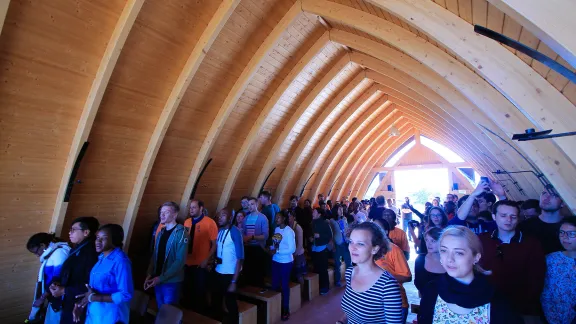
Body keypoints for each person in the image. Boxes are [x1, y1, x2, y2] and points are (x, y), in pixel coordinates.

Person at [418, 226, 521, 324]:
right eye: (444, 251)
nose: (449, 259)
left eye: (459, 253)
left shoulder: (497, 300)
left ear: (476, 257)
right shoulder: (432, 291)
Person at [478, 200, 546, 323]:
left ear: (518, 218)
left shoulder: (531, 243)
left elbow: (537, 277)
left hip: (521, 307)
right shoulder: (482, 240)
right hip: (487, 304)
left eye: (513, 216)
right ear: (494, 216)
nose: (508, 220)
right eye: (503, 216)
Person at [338, 222, 403, 324]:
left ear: (374, 249)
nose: (353, 248)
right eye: (351, 242)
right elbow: (352, 309)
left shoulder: (387, 286)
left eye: (360, 243)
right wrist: (342, 321)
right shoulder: (350, 272)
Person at [74, 224, 134, 324]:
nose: (98, 241)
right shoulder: (101, 258)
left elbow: (125, 294)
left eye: (104, 238)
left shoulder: (121, 261)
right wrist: (82, 304)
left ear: (114, 240)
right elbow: (94, 291)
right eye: (97, 238)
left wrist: (94, 298)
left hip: (111, 317)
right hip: (95, 314)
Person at [48, 217, 100, 324]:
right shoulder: (77, 248)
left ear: (86, 232)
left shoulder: (91, 252)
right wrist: (57, 283)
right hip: (70, 299)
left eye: (73, 230)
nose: (69, 233)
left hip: (79, 303)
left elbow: (91, 283)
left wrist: (64, 290)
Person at [145, 202, 189, 310]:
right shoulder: (161, 232)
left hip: (171, 281)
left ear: (174, 215)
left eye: (166, 212)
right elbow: (155, 255)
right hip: (157, 278)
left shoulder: (181, 233)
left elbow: (179, 261)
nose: (162, 215)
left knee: (169, 313)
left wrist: (161, 278)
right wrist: (149, 273)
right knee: (161, 310)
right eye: (161, 212)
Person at [372, 216, 412, 323]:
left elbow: (407, 277)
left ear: (385, 232)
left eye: (377, 228)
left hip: (394, 303)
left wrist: (383, 276)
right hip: (373, 303)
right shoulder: (367, 249)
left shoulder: (393, 249)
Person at [26, 233, 70, 324]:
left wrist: (41, 298)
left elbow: (57, 279)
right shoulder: (51, 254)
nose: (37, 255)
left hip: (59, 298)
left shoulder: (60, 253)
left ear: (42, 245)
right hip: (52, 296)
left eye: (36, 252)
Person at [182, 199, 217, 311]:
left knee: (200, 292)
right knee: (187, 291)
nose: (191, 209)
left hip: (200, 264)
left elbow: (214, 244)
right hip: (187, 263)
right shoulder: (187, 222)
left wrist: (207, 259)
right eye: (190, 207)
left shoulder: (210, 222)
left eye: (194, 207)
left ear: (201, 208)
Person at [541, 217, 576, 324]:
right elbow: (546, 292)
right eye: (562, 232)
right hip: (554, 317)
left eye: (571, 233)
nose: (565, 237)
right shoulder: (551, 259)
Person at [212, 209, 244, 324]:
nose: (220, 218)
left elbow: (240, 258)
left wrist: (234, 281)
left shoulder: (235, 232)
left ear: (230, 218)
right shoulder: (220, 231)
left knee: (231, 303)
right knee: (216, 300)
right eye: (219, 216)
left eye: (223, 215)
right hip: (218, 271)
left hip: (230, 274)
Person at [270, 210, 296, 321]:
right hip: (276, 260)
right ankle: (276, 307)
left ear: (284, 219)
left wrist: (278, 251)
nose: (276, 219)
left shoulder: (289, 231)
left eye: (279, 217)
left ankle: (285, 309)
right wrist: (272, 249)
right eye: (276, 217)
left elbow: (292, 249)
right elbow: (275, 244)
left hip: (285, 262)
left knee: (284, 285)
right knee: (275, 284)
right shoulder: (276, 229)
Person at [241, 197, 269, 289]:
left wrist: (252, 237)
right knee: (248, 272)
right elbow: (243, 233)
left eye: (252, 204)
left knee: (258, 273)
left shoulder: (262, 218)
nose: (250, 206)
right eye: (248, 205)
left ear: (256, 205)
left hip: (258, 247)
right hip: (248, 247)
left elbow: (265, 236)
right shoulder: (245, 219)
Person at [414, 228, 445, 294]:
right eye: (427, 240)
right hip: (426, 300)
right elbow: (418, 283)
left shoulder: (450, 260)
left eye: (433, 241)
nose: (429, 244)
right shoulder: (420, 260)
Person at [311, 207, 332, 295]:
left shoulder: (324, 223)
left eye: (314, 212)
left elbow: (329, 235)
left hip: (322, 248)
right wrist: (311, 238)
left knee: (323, 268)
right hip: (314, 247)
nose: (312, 213)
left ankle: (325, 287)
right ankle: (317, 286)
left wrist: (319, 236)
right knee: (316, 268)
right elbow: (311, 233)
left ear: (319, 214)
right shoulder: (312, 223)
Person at [328, 206, 351, 287]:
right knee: (337, 264)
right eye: (339, 209)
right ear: (335, 211)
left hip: (346, 243)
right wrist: (332, 244)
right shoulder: (332, 221)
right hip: (337, 244)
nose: (342, 210)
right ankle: (337, 281)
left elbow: (347, 229)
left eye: (342, 209)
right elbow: (331, 234)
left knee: (349, 263)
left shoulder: (344, 218)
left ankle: (349, 280)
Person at [288, 209, 306, 284]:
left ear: (294, 217)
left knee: (299, 275)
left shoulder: (298, 228)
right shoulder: (288, 227)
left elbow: (300, 244)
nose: (288, 218)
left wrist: (294, 254)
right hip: (291, 254)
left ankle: (302, 293)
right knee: (293, 276)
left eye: (289, 216)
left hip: (298, 254)